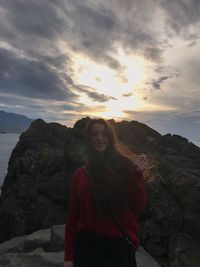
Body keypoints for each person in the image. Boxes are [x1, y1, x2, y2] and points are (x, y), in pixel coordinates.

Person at [63, 118, 148, 267]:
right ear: (88, 139)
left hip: (118, 248)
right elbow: (72, 217)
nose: (100, 138)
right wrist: (68, 257)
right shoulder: (80, 175)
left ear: (110, 137)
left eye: (104, 134)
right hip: (87, 247)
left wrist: (138, 176)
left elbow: (137, 204)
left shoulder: (126, 167)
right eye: (94, 134)